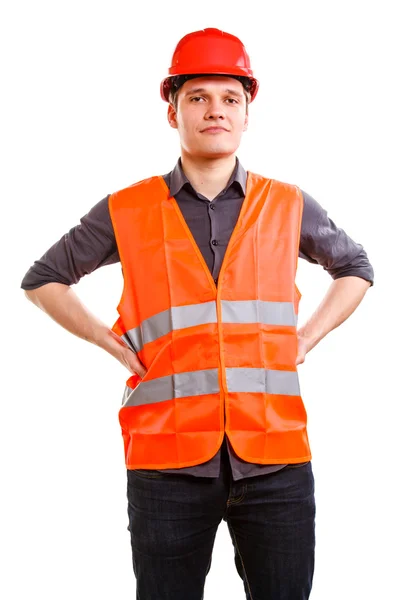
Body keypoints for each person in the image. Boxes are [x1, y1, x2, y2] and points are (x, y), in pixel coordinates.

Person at [21, 27, 374, 600]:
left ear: (247, 112)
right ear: (173, 110)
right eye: (199, 98)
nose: (216, 111)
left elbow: (357, 267)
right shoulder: (127, 209)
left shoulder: (286, 204)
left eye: (230, 98)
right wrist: (109, 344)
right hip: (166, 467)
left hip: (276, 460)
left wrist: (306, 338)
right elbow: (43, 280)